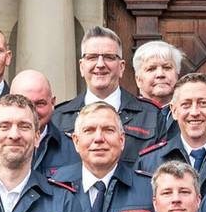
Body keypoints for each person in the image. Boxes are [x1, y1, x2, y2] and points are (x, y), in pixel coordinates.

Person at [52, 26, 166, 156]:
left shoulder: (152, 116)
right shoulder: (58, 119)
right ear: (82, 66)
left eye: (109, 57)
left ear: (121, 67)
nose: (100, 64)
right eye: (92, 57)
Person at [56, 103, 157, 212]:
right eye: (89, 130)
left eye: (108, 130)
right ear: (76, 141)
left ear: (122, 140)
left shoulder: (148, 190)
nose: (98, 138)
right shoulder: (55, 188)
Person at [138, 74, 206, 193]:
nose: (194, 112)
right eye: (186, 104)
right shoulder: (149, 162)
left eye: (203, 103)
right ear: (174, 111)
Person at [131, 38, 185, 109]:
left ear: (177, 74)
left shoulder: (191, 113)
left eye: (167, 67)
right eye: (151, 69)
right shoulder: (126, 115)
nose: (160, 74)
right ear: (138, 80)